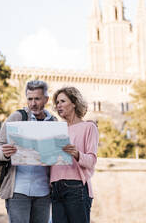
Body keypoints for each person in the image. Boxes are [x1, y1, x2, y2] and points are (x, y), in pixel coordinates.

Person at [0, 80, 57, 223]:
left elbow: (57, 157)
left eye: (37, 99)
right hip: (17, 191)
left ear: (46, 99)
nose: (33, 103)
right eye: (30, 99)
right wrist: (4, 152)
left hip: (44, 193)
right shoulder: (17, 117)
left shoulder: (54, 123)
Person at [50, 87, 99, 223]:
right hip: (55, 188)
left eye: (62, 101)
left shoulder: (89, 127)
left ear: (74, 103)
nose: (58, 105)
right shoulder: (56, 130)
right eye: (57, 102)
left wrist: (77, 154)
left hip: (76, 187)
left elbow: (92, 161)